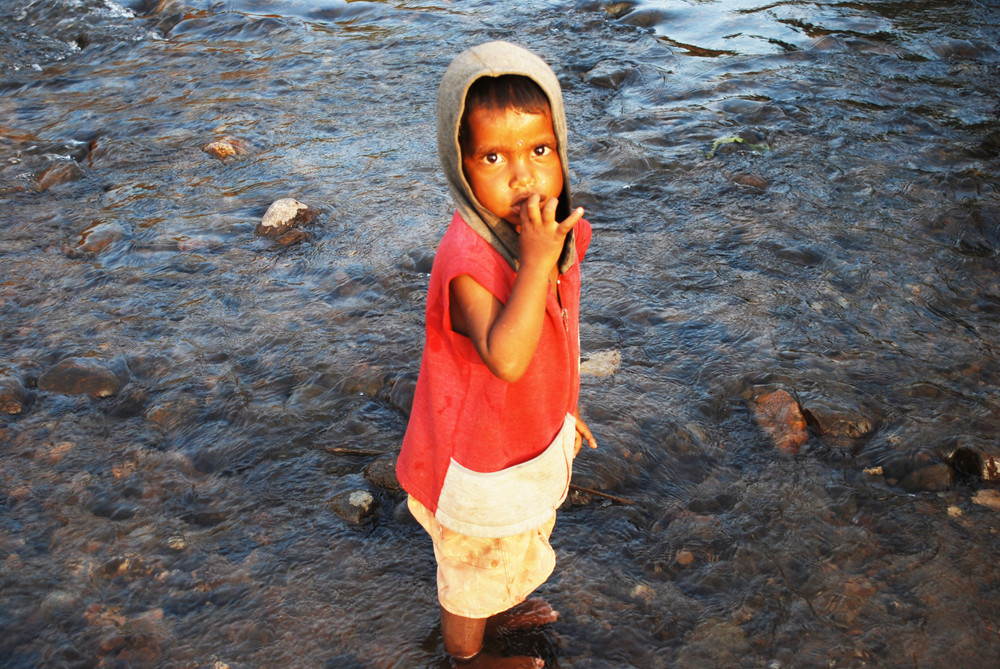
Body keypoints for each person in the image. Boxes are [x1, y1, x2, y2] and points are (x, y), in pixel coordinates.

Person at [396, 40, 597, 669]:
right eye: (493, 157)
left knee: (510, 542)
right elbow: (507, 359)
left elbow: (561, 330)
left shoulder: (548, 234)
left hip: (523, 433)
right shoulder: (470, 264)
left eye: (540, 150)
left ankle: (503, 604)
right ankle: (466, 657)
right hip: (475, 458)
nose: (523, 175)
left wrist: (567, 408)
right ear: (460, 167)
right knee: (473, 565)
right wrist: (538, 261)